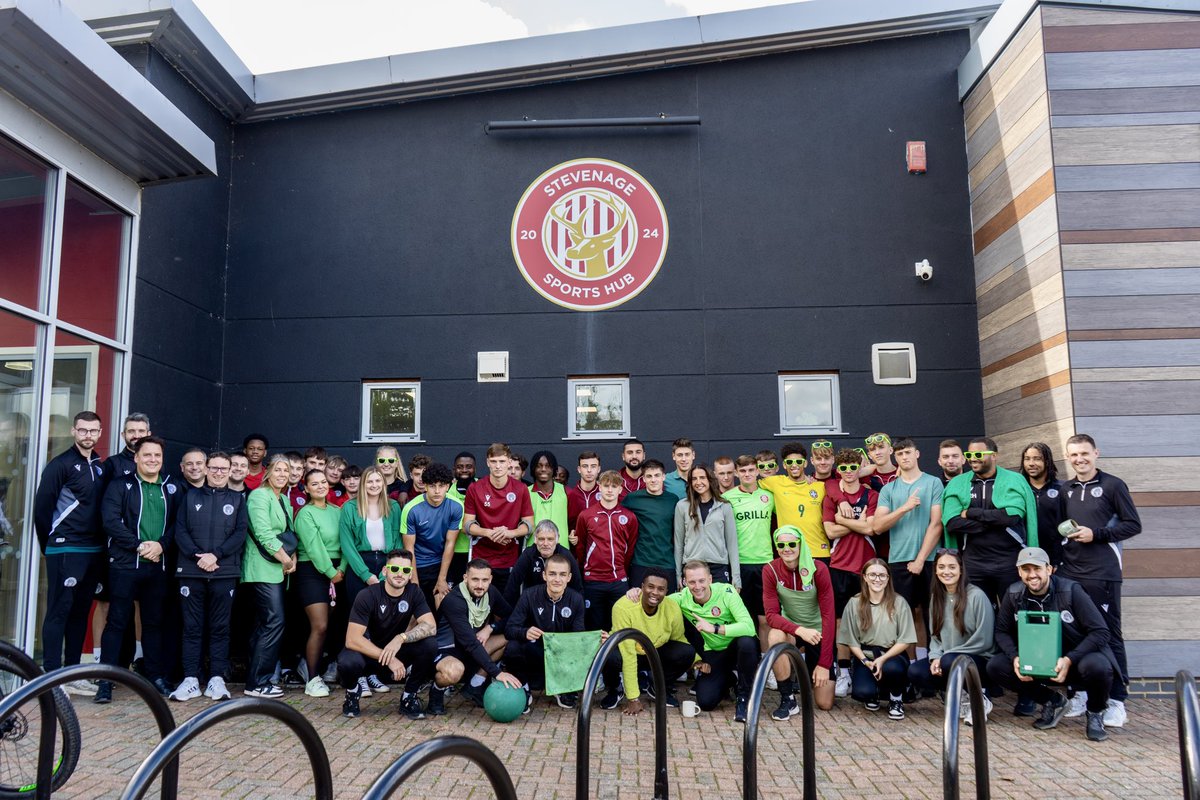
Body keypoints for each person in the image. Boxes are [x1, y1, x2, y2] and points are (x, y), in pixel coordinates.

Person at [985, 546, 1118, 742]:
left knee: (1098, 666)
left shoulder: (1071, 591)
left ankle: (1096, 712)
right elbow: (1001, 631)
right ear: (1019, 572)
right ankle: (1053, 701)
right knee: (996, 666)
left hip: (1075, 663)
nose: (1032, 575)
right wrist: (1015, 657)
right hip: (1038, 663)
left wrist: (1069, 659)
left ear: (1049, 569)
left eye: (1037, 569)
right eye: (1026, 569)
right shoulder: (1013, 594)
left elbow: (1100, 632)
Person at [1058, 434, 1141, 728]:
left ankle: (1117, 701)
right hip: (1070, 573)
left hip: (1102, 573)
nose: (1079, 459)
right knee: (1072, 632)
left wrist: (1098, 534)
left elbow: (1133, 524)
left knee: (1109, 634)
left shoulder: (1113, 485)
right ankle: (1079, 693)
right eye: (1074, 455)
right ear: (1067, 458)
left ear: (1096, 453)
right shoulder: (1065, 489)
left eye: (1084, 453)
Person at [95, 435, 181, 702]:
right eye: (147, 455)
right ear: (136, 458)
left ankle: (154, 677)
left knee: (154, 624)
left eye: (157, 456)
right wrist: (139, 545)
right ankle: (106, 682)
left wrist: (162, 546)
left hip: (158, 566)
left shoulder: (172, 487)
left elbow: (180, 525)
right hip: (125, 565)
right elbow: (110, 521)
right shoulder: (120, 486)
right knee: (117, 623)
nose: (152, 460)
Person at [33, 410, 106, 693]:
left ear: (99, 433)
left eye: (93, 431)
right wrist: (48, 545)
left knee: (79, 613)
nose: (88, 435)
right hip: (65, 548)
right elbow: (42, 509)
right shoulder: (60, 465)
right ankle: (50, 678)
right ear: (74, 431)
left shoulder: (99, 465)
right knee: (58, 611)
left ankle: (73, 674)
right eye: (83, 430)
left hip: (93, 550)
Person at [169, 450, 248, 703]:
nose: (218, 473)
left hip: (223, 572)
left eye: (223, 469)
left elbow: (240, 534)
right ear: (205, 469)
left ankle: (216, 679)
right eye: (213, 468)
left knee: (220, 627)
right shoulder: (189, 496)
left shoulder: (238, 500)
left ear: (230, 472)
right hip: (191, 571)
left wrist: (215, 555)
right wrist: (197, 556)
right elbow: (180, 531)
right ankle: (190, 679)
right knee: (191, 627)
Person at [338, 549, 438, 719]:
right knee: (348, 662)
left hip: (398, 651)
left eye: (406, 570)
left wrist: (401, 638)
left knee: (430, 645)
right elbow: (352, 639)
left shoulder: (414, 592)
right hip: (369, 654)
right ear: (385, 571)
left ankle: (409, 697)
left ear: (410, 574)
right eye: (395, 569)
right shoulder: (367, 595)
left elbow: (431, 626)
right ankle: (353, 693)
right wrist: (389, 658)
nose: (400, 574)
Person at [942, 438, 1038, 606]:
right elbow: (951, 522)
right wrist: (993, 522)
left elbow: (1011, 517)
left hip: (1009, 561)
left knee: (1014, 612)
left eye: (978, 454)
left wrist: (971, 512)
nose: (973, 458)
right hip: (973, 562)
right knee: (977, 614)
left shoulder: (1014, 480)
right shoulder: (958, 483)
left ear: (994, 456)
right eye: (969, 454)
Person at [906, 549, 996, 725]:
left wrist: (946, 656)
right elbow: (936, 637)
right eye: (941, 567)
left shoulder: (976, 596)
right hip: (948, 658)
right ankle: (962, 695)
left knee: (950, 661)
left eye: (952, 567)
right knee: (916, 672)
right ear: (936, 570)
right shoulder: (937, 598)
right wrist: (935, 658)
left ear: (961, 569)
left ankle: (980, 700)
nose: (946, 571)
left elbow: (984, 640)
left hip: (980, 660)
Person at [872, 438, 943, 653]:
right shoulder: (889, 489)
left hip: (929, 559)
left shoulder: (933, 483)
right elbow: (877, 526)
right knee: (903, 617)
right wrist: (905, 508)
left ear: (917, 454)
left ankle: (930, 663)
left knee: (932, 614)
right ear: (895, 456)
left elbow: (936, 524)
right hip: (899, 560)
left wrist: (920, 559)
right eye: (900, 454)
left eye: (908, 452)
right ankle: (907, 667)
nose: (905, 457)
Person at [670, 560, 759, 722]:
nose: (697, 586)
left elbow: (749, 627)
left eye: (701, 580)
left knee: (747, 642)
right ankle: (730, 678)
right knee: (706, 702)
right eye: (692, 582)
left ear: (710, 579)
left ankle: (744, 698)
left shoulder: (727, 591)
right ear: (684, 582)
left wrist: (715, 628)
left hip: (737, 648)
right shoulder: (682, 598)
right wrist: (635, 593)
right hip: (713, 652)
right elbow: (655, 599)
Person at [762, 526, 836, 718]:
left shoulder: (818, 569)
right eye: (781, 544)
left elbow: (829, 617)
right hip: (793, 631)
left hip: (818, 632)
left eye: (792, 543)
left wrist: (824, 664)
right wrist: (799, 630)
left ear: (801, 544)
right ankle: (788, 699)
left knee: (824, 703)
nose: (787, 548)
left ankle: (806, 672)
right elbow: (771, 615)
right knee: (775, 635)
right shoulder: (770, 570)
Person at [822, 449, 879, 697]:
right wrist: (858, 524)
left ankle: (866, 668)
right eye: (843, 468)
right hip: (839, 566)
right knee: (841, 623)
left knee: (869, 620)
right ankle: (843, 671)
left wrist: (843, 521)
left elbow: (871, 528)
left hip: (866, 568)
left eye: (852, 467)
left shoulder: (872, 494)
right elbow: (830, 533)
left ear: (860, 467)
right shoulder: (832, 496)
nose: (848, 472)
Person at [432, 558, 522, 713]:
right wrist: (498, 673)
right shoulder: (454, 600)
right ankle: (436, 693)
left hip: (470, 647)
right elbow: (470, 643)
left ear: (490, 579)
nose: (480, 585)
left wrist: (490, 627)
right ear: (465, 578)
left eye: (484, 580)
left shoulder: (490, 592)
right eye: (475, 579)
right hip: (446, 651)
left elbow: (511, 617)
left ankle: (474, 685)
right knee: (454, 671)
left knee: (510, 636)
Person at [601, 567, 695, 713]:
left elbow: (679, 639)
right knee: (608, 654)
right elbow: (628, 654)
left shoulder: (672, 607)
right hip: (627, 652)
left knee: (686, 652)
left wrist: (697, 660)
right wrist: (633, 699)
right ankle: (616, 689)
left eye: (661, 589)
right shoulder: (623, 607)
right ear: (642, 587)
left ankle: (658, 687)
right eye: (650, 587)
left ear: (666, 591)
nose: (655, 592)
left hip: (653, 652)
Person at [242, 453, 297, 698]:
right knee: (274, 621)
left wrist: (291, 557)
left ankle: (256, 679)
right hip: (261, 568)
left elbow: (289, 533)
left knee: (263, 625)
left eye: (286, 470)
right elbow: (263, 533)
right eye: (278, 470)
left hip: (278, 569)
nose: (282, 474)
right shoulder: (259, 496)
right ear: (268, 472)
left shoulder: (284, 500)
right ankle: (258, 682)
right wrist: (286, 559)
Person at [504, 553, 586, 710]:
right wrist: (525, 632)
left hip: (561, 653)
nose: (557, 579)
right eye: (552, 574)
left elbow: (579, 637)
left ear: (569, 577)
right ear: (544, 575)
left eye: (562, 575)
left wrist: (597, 639)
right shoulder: (529, 595)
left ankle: (562, 687)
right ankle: (523, 687)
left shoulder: (576, 599)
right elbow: (510, 629)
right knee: (513, 647)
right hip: (537, 650)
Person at [837, 558, 917, 720]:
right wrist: (865, 661)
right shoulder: (854, 603)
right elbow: (850, 639)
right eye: (872, 575)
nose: (877, 579)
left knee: (892, 669)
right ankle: (875, 693)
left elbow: (905, 639)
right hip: (865, 656)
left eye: (882, 575)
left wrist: (883, 659)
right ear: (865, 577)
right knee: (862, 692)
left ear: (888, 579)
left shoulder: (899, 602)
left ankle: (896, 698)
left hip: (892, 655)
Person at [292, 468, 343, 697]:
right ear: (306, 488)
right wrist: (331, 571)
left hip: (338, 570)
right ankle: (312, 678)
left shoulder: (337, 511)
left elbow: (347, 541)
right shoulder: (305, 514)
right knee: (319, 626)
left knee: (333, 626)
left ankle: (324, 668)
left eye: (323, 482)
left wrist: (341, 568)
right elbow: (314, 548)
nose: (321, 486)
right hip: (312, 570)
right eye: (315, 483)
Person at [463, 443, 534, 593]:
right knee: (480, 605)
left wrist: (510, 533)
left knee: (506, 607)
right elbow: (467, 525)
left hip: (509, 558)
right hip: (481, 558)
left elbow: (529, 525)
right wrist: (489, 533)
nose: (498, 466)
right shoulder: (475, 488)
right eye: (494, 461)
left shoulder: (520, 489)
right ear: (488, 462)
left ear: (509, 463)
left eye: (502, 461)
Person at [574, 470, 638, 632]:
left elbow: (629, 549)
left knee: (619, 627)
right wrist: (585, 572)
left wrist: (621, 571)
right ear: (599, 487)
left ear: (620, 489)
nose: (610, 490)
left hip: (618, 581)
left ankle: (618, 658)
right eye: (606, 485)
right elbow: (580, 547)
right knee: (594, 627)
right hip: (593, 581)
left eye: (614, 486)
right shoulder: (586, 515)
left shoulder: (629, 517)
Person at [724, 455, 775, 645]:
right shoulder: (727, 498)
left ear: (757, 471)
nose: (747, 474)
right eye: (743, 471)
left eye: (751, 470)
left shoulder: (769, 496)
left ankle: (765, 664)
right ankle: (742, 664)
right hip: (740, 565)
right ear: (736, 473)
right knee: (741, 619)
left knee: (764, 619)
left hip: (765, 563)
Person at [339, 465, 403, 617]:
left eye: (377, 481)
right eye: (369, 481)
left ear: (383, 483)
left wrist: (386, 573)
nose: (374, 485)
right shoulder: (349, 507)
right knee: (359, 615)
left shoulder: (393, 507)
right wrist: (365, 575)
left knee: (385, 615)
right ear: (363, 484)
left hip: (386, 564)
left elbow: (398, 543)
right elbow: (347, 545)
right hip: (359, 564)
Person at [399, 462, 463, 610]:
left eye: (441, 486)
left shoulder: (456, 506)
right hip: (419, 564)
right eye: (432, 486)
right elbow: (409, 548)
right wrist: (414, 580)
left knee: (443, 603)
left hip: (442, 563)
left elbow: (450, 543)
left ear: (448, 486)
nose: (437, 491)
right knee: (417, 610)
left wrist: (442, 578)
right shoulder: (411, 509)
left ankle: (441, 633)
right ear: (425, 486)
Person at [673, 464, 739, 589]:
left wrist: (736, 576)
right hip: (692, 567)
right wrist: (678, 575)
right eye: (694, 479)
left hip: (718, 567)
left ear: (710, 479)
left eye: (702, 477)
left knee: (720, 607)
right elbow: (678, 542)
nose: (698, 482)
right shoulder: (682, 506)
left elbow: (732, 543)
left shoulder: (724, 506)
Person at [760, 443, 829, 562]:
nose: (794, 465)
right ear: (784, 465)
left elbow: (840, 487)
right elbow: (748, 483)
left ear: (805, 463)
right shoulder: (775, 483)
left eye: (798, 461)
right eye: (789, 462)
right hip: (791, 552)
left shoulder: (819, 486)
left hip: (819, 550)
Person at [623, 459, 680, 593]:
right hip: (641, 561)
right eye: (649, 476)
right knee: (637, 603)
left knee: (668, 604)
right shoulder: (632, 499)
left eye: (657, 475)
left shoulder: (673, 499)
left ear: (663, 477)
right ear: (643, 479)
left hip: (667, 561)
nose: (653, 480)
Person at [503, 520, 583, 606]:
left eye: (550, 539)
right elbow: (513, 584)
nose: (545, 543)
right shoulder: (528, 554)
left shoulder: (565, 555)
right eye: (541, 539)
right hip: (533, 604)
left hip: (559, 604)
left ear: (557, 539)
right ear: (535, 539)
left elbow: (577, 587)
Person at [1020, 442, 1064, 568]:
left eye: (1037, 459)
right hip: (1025, 557)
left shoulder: (1062, 489)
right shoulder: (1018, 490)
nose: (1031, 463)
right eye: (1027, 459)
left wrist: (1058, 558)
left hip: (1056, 560)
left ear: (1047, 461)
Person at [528, 450, 568, 547]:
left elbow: (573, 522)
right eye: (539, 466)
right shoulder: (525, 493)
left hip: (560, 550)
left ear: (554, 469)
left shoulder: (567, 492)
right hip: (533, 549)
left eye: (548, 466)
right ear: (533, 469)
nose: (543, 469)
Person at [101, 412, 150, 483]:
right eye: (131, 431)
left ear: (148, 435)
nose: (136, 436)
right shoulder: (111, 464)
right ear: (123, 435)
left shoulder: (155, 462)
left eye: (141, 431)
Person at [566, 451, 601, 530]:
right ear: (579, 469)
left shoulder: (605, 493)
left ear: (598, 469)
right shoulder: (570, 494)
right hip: (576, 541)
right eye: (585, 466)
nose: (589, 470)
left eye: (593, 466)